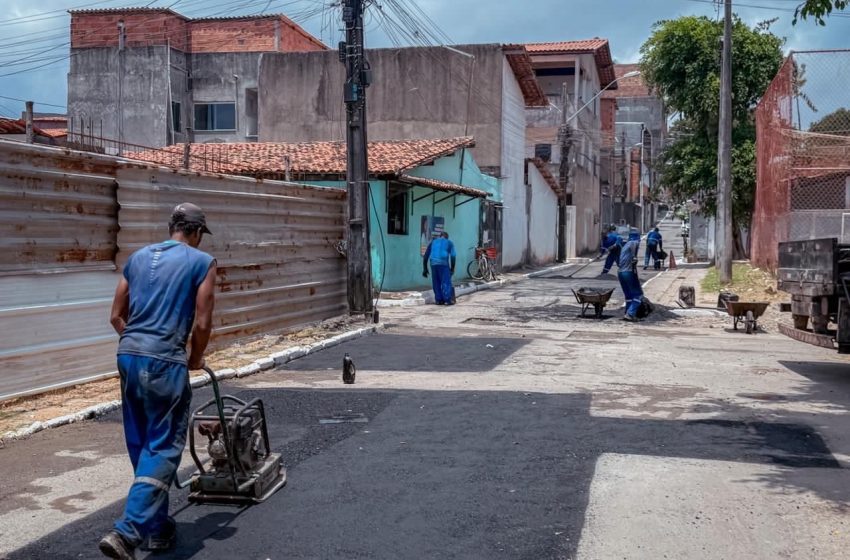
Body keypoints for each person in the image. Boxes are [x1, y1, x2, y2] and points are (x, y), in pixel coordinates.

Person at [100, 203, 217, 559]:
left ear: (173, 227)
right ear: (196, 232)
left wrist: (136, 341)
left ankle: (158, 528)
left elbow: (116, 315)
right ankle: (127, 532)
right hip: (165, 361)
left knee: (142, 443)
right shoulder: (202, 262)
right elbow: (201, 322)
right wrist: (194, 358)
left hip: (128, 356)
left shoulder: (136, 258)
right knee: (164, 447)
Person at [423, 230, 457, 305]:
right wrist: (452, 268)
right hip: (443, 264)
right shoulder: (449, 243)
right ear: (447, 237)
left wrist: (425, 269)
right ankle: (448, 299)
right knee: (445, 281)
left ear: (440, 236)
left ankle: (438, 300)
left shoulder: (433, 242)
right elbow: (453, 257)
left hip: (433, 263)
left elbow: (425, 257)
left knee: (436, 282)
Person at [618, 228, 644, 322]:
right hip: (628, 273)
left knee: (629, 296)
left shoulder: (625, 246)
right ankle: (630, 314)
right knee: (638, 295)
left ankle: (626, 313)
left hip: (621, 273)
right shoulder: (633, 243)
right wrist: (634, 256)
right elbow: (634, 245)